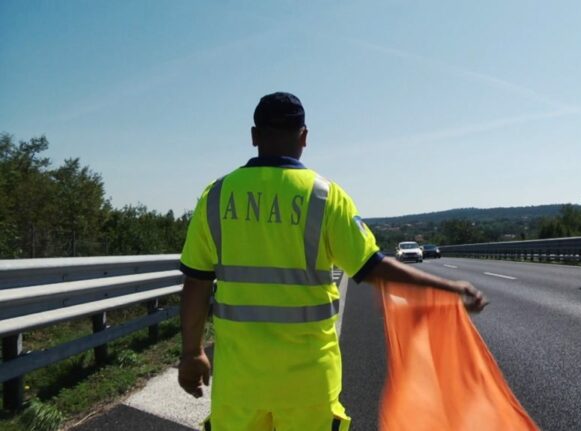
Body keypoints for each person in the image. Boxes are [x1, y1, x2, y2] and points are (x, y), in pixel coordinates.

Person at [177, 92, 488, 431]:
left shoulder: (216, 196)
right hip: (309, 386)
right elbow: (373, 267)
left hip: (239, 388)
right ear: (305, 137)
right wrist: (446, 288)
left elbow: (196, 283)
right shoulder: (325, 196)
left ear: (254, 135)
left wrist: (192, 353)